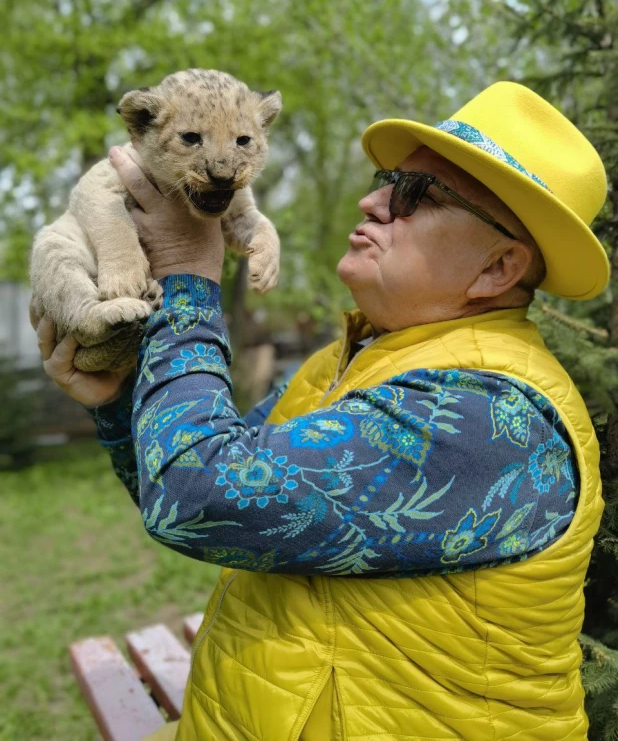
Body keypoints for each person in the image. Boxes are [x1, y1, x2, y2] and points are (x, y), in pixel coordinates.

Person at [34, 81, 608, 741]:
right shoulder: (356, 359)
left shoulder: (490, 418)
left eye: (415, 196)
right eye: (384, 179)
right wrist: (117, 404)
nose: (372, 201)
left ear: (498, 267)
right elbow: (198, 500)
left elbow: (195, 493)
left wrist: (189, 270)